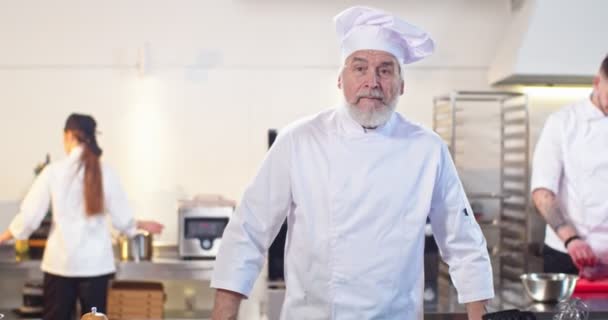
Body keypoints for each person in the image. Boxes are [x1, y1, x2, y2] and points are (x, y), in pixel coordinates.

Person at [210, 6, 494, 320]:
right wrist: (225, 313)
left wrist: (479, 314)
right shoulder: (299, 140)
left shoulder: (427, 149)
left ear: (401, 84)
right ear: (340, 79)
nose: (372, 81)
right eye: (360, 68)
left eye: (385, 70)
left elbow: (463, 242)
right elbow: (249, 228)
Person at [0, 113, 164, 319]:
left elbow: (29, 218)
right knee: (94, 317)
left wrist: (3, 237)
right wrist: (139, 224)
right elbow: (123, 221)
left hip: (60, 266)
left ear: (68, 135)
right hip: (95, 268)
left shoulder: (53, 172)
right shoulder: (106, 172)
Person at [532, 54, 608, 276]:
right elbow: (542, 192)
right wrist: (572, 239)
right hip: (569, 254)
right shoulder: (563, 123)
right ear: (597, 82)